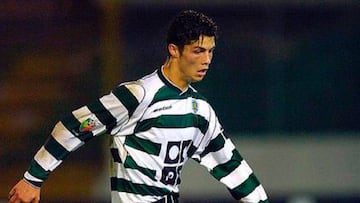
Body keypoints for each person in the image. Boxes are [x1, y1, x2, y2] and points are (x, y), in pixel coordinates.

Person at [8, 9, 269, 203]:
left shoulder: (200, 111)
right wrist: (33, 179)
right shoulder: (138, 96)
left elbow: (233, 168)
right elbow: (75, 126)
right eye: (198, 51)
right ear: (174, 50)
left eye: (211, 51)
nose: (207, 59)